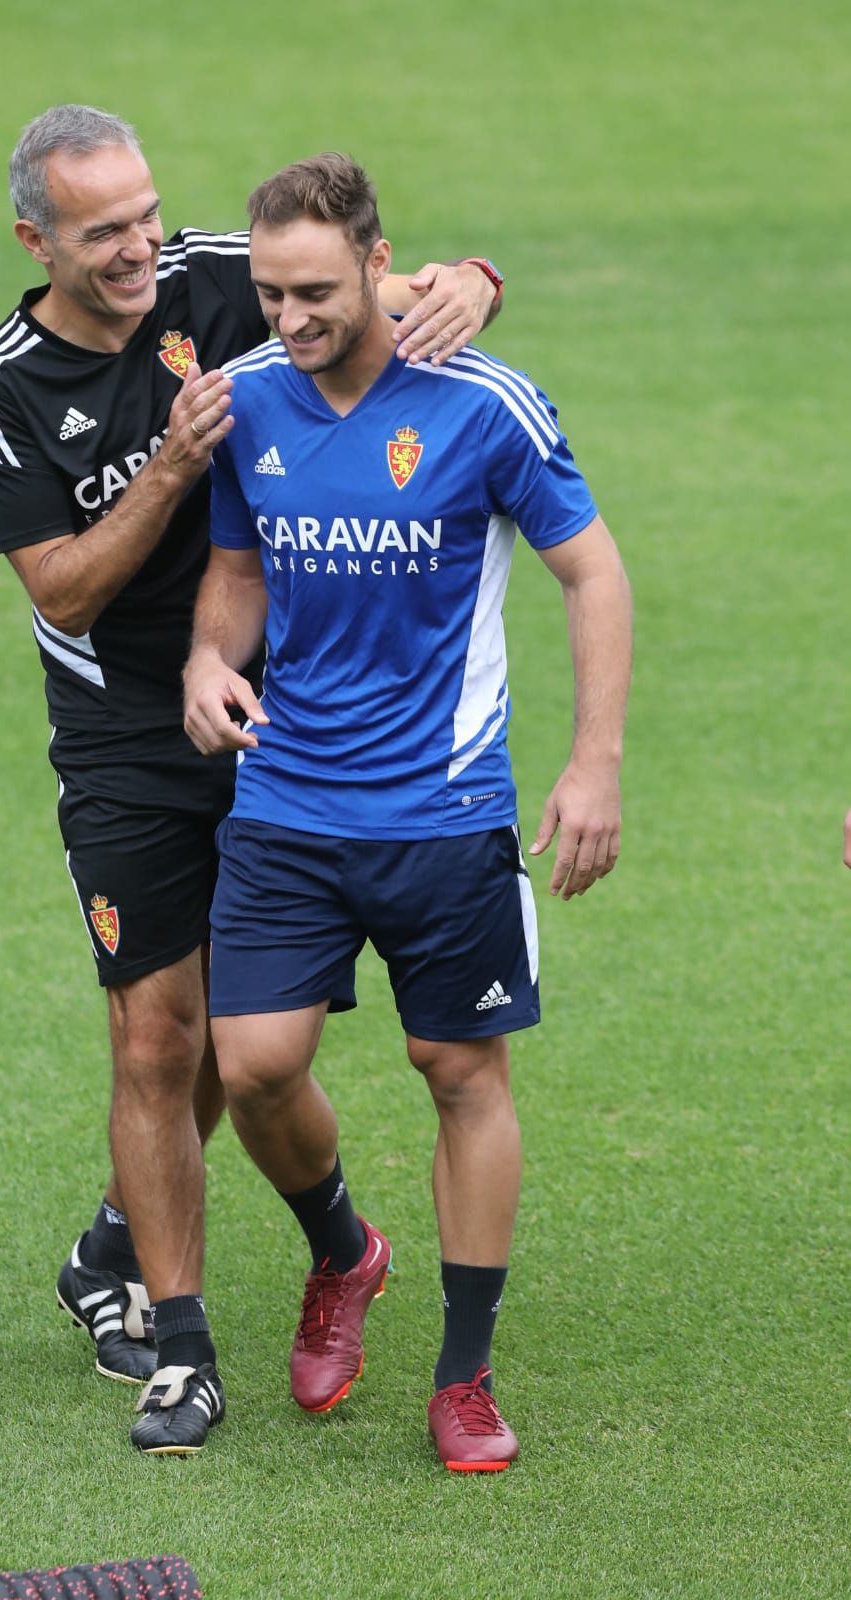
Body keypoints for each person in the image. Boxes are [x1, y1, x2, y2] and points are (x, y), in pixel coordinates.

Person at [0, 105, 503, 1456]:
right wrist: (174, 461)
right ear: (37, 241)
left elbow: (391, 282)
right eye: (103, 232)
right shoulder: (2, 389)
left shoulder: (215, 272)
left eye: (146, 213)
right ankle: (184, 1352)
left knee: (232, 1045)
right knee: (156, 1036)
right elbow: (64, 594)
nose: (142, 246)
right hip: (128, 738)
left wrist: (471, 285)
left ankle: (123, 1245)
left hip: (278, 710)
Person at [182, 153, 632, 1472]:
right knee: (254, 1067)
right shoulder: (250, 403)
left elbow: (590, 574)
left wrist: (591, 761)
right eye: (268, 294)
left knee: (458, 1074)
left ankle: (464, 1374)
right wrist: (213, 659)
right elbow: (232, 569)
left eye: (312, 291)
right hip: (285, 805)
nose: (288, 319)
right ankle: (342, 1251)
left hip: (441, 811)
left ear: (381, 265)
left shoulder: (484, 404)